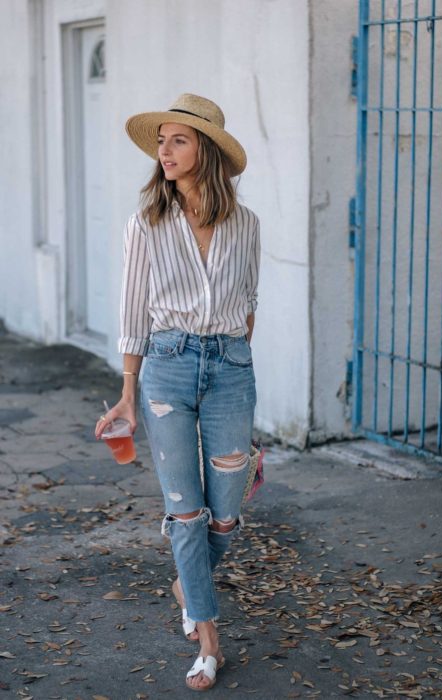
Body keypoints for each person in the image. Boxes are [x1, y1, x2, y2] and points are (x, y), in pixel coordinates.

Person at [95, 94, 260, 691]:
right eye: (160, 141)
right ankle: (209, 641)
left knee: (227, 517)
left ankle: (188, 582)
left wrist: (236, 368)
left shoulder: (247, 224)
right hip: (165, 366)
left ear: (206, 151)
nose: (163, 151)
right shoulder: (146, 223)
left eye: (178, 141)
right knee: (186, 513)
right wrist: (127, 394)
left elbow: (249, 305)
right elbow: (132, 312)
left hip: (231, 371)